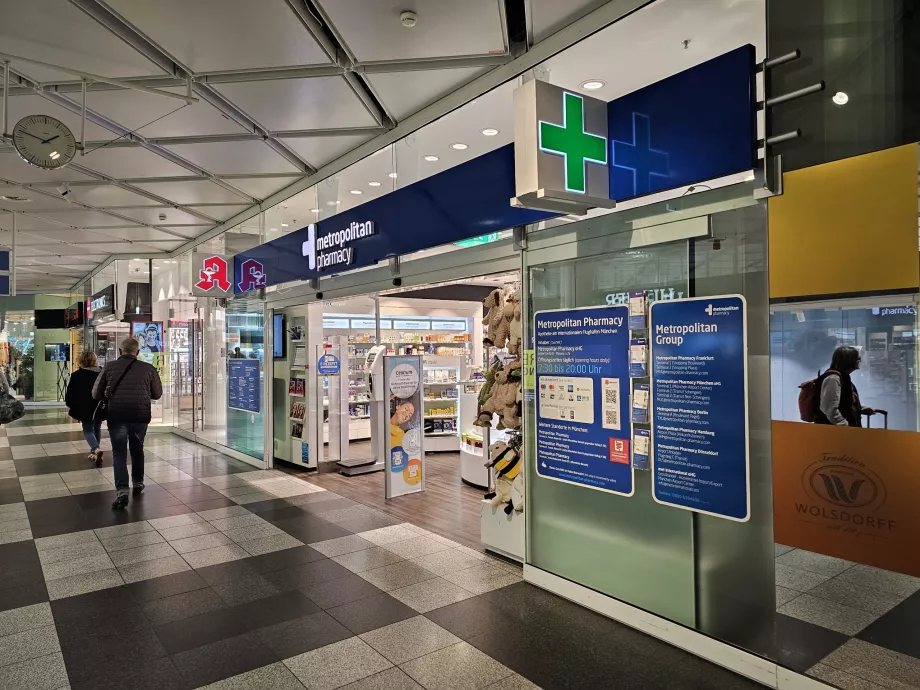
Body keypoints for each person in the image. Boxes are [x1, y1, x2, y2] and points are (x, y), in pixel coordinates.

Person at [93, 337, 163, 509]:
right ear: (137, 352)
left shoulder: (109, 367)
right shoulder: (148, 368)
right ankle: (138, 482)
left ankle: (122, 491)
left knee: (119, 453)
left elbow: (95, 393)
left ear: (119, 351)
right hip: (140, 415)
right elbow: (157, 394)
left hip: (116, 415)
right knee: (137, 449)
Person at [815, 346, 873, 427]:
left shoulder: (843, 377)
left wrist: (861, 408)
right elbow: (829, 409)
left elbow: (844, 403)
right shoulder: (833, 379)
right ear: (849, 360)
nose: (860, 361)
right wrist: (844, 425)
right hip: (834, 434)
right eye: (857, 358)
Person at [65, 351, 104, 465]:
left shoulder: (77, 375)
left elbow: (71, 393)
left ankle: (95, 449)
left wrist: (71, 404)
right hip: (99, 406)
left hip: (84, 407)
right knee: (97, 427)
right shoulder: (101, 373)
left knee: (87, 429)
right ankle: (95, 452)